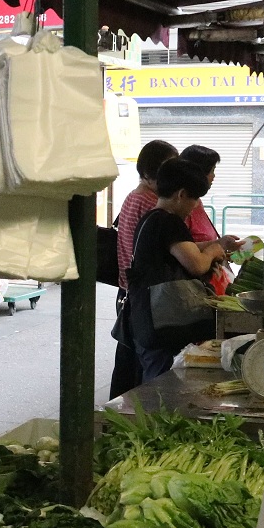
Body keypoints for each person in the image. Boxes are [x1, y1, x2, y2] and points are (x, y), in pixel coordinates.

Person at [125, 158, 230, 383]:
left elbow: (184, 249)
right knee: (161, 387)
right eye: (195, 198)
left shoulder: (151, 219)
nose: (195, 206)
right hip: (163, 324)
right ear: (181, 194)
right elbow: (197, 264)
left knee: (154, 380)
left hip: (148, 320)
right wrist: (212, 252)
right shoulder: (169, 222)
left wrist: (218, 245)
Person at [108, 139, 177, 400]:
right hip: (141, 295)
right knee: (143, 366)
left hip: (128, 290)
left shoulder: (134, 196)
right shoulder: (150, 202)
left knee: (132, 362)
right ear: (149, 172)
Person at [178, 144, 240, 293]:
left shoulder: (196, 202)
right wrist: (215, 247)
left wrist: (221, 248)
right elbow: (191, 257)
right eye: (212, 171)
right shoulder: (180, 208)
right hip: (195, 288)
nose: (214, 176)